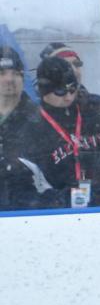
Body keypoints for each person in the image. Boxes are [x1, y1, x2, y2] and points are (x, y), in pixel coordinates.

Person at [32, 56, 100, 207]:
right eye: (60, 91)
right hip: (61, 208)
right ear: (43, 91)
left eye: (72, 89)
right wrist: (57, 199)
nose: (68, 97)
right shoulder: (33, 124)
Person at [0, 46, 49, 209]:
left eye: (16, 73)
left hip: (28, 210)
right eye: (2, 73)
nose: (9, 79)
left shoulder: (42, 120)